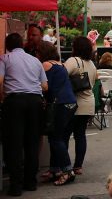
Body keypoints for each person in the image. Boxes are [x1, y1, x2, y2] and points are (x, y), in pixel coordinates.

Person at [0, 33, 48, 196]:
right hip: (35, 102)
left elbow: (0, 81)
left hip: (15, 103)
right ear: (22, 44)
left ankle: (15, 186)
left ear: (7, 45)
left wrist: (3, 96)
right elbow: (44, 86)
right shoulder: (35, 61)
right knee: (32, 143)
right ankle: (31, 182)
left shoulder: (4, 58)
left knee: (14, 144)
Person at [37, 41, 77, 186]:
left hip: (59, 103)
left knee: (55, 138)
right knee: (61, 137)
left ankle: (67, 171)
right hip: (71, 102)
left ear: (42, 53)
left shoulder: (46, 65)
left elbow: (45, 87)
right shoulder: (61, 64)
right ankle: (55, 169)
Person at [63, 36, 97, 177]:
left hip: (73, 103)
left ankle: (64, 164)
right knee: (80, 135)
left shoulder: (73, 61)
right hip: (88, 103)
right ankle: (78, 166)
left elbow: (61, 75)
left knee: (64, 135)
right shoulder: (92, 64)